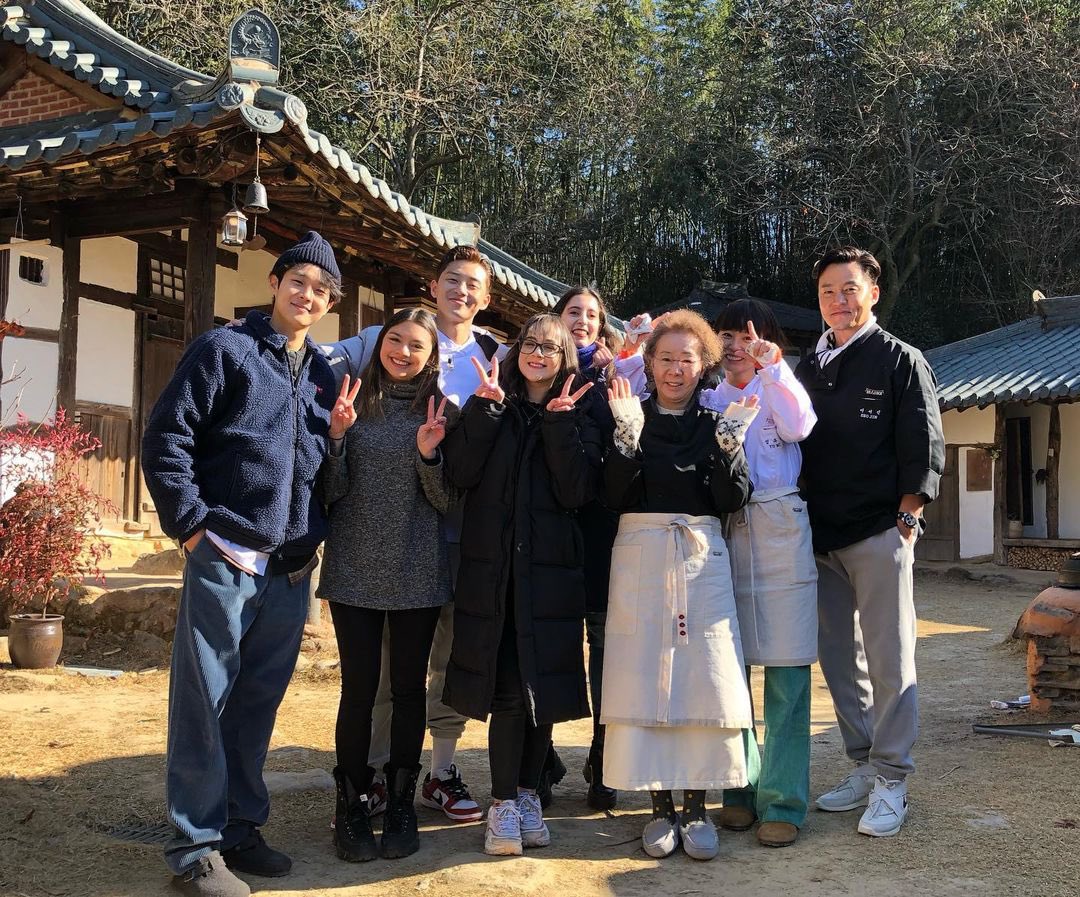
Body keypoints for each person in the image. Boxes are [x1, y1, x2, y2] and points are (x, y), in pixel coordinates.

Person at [142, 232, 342, 897]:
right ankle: (195, 849)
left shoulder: (323, 374)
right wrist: (193, 527)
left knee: (256, 703)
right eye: (299, 279)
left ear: (330, 303)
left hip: (289, 567)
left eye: (322, 288)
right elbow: (168, 437)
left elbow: (318, 469)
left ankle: (238, 827)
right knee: (204, 698)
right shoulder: (224, 349)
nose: (308, 293)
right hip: (225, 553)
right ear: (277, 280)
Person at [321, 245, 506, 823]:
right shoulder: (384, 338)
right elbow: (323, 357)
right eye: (453, 280)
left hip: (463, 529)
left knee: (446, 659)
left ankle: (441, 770)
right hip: (396, 531)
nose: (463, 292)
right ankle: (373, 772)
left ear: (487, 297)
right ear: (433, 285)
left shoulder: (493, 354)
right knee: (381, 667)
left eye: (474, 285)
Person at [795, 246, 944, 838]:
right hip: (820, 536)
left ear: (873, 293)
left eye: (849, 289)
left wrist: (907, 520)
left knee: (890, 658)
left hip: (880, 531)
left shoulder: (900, 360)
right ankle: (861, 763)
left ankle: (892, 779)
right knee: (837, 659)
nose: (839, 300)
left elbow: (924, 445)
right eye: (828, 291)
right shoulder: (811, 364)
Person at [441, 314, 601, 856]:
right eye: (530, 344)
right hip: (495, 575)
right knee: (509, 691)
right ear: (517, 354)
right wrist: (484, 411)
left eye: (551, 349)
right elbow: (458, 474)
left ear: (564, 361)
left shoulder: (576, 414)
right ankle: (504, 804)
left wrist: (558, 425)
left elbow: (578, 491)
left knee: (545, 695)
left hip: (552, 575)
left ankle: (531, 794)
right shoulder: (489, 404)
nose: (538, 354)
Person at [601, 310, 756, 862]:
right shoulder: (628, 414)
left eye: (686, 359)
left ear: (703, 364)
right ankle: (659, 805)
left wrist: (731, 447)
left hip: (700, 557)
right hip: (640, 553)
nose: (675, 369)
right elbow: (612, 495)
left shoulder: (717, 422)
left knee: (702, 675)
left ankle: (696, 804)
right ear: (649, 363)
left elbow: (730, 500)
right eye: (665, 358)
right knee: (644, 673)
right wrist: (624, 438)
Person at [318, 308, 460, 861]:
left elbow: (449, 500)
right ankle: (351, 800)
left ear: (432, 356)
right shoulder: (353, 402)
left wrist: (429, 455)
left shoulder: (444, 411)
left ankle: (402, 797)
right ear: (380, 346)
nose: (403, 352)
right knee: (357, 690)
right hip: (353, 568)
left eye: (416, 345)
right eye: (394, 340)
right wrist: (335, 438)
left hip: (418, 570)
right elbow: (329, 494)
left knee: (407, 690)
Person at [699, 299, 818, 848]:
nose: (735, 344)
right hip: (722, 528)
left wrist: (775, 370)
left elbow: (800, 427)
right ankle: (739, 790)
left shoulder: (780, 388)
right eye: (724, 333)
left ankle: (785, 799)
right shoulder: (706, 396)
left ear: (769, 341)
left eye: (749, 334)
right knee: (729, 668)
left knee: (788, 670)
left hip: (778, 522)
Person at [542, 287, 651, 810]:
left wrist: (625, 372)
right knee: (547, 647)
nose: (582, 321)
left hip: (605, 530)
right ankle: (536, 759)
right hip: (548, 529)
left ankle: (603, 759)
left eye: (591, 314)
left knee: (606, 653)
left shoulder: (619, 375)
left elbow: (633, 445)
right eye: (573, 313)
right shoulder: (536, 367)